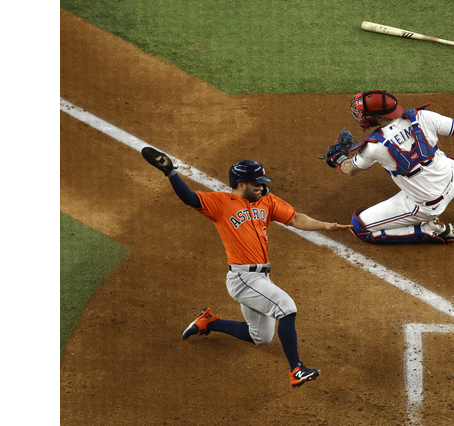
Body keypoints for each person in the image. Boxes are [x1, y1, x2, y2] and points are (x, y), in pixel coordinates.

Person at [142, 147, 351, 388]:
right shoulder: (220, 203)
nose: (262, 187)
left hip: (262, 278)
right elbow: (190, 198)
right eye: (257, 184)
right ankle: (296, 369)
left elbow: (295, 218)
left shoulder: (266, 201)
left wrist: (326, 226)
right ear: (241, 184)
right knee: (286, 308)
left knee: (260, 337)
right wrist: (171, 173)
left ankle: (209, 322)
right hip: (243, 279)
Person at [325, 90, 454, 244]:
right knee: (435, 155)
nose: (361, 116)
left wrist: (338, 158)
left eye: (364, 113)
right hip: (452, 180)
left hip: (428, 207)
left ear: (378, 116)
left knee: (359, 227)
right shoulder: (422, 117)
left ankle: (426, 230)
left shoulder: (373, 147)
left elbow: (350, 169)